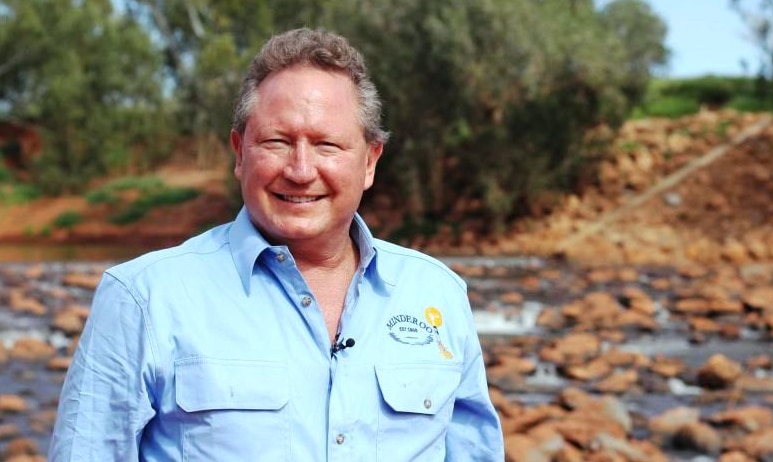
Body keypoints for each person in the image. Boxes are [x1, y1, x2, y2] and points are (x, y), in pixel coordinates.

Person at [48, 27, 504, 461]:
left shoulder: (437, 294)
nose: (301, 170)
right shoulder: (142, 298)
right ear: (239, 153)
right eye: (277, 142)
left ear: (369, 161)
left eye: (327, 145)